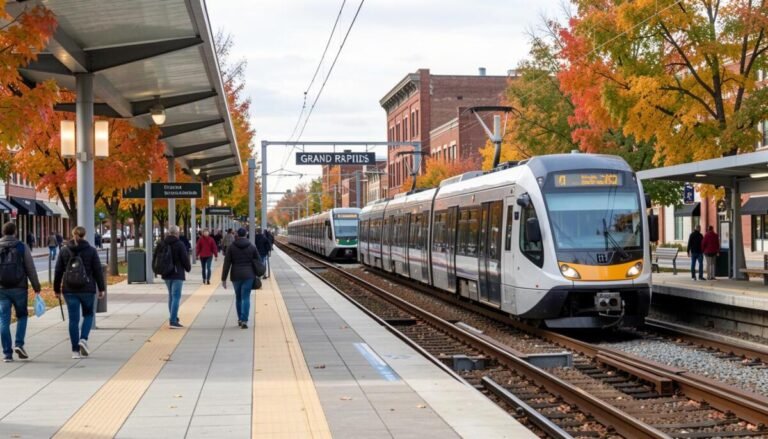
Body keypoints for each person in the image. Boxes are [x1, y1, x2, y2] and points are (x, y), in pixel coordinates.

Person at [53, 226, 105, 359]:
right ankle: (83, 339)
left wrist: (56, 289)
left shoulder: (64, 251)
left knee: (73, 320)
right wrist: (101, 288)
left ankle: (75, 351)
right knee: (88, 315)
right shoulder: (91, 251)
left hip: (69, 289)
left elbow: (58, 271)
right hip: (87, 289)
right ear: (85, 235)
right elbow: (98, 271)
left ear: (73, 235)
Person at [0, 222, 41, 362]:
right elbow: (30, 268)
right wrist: (36, 287)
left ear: (3, 232)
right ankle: (19, 344)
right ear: (15, 232)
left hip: (2, 289)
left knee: (3, 319)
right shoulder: (22, 246)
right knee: (22, 316)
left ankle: (7, 353)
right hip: (19, 288)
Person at [221, 228, 264, 329]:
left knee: (238, 297)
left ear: (237, 235)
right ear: (246, 234)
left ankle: (240, 319)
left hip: (236, 275)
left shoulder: (231, 247)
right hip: (249, 275)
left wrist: (224, 279)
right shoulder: (252, 247)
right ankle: (244, 320)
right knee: (246, 297)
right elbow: (259, 261)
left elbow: (226, 264)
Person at [153, 225, 191, 329]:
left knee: (171, 296)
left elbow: (156, 257)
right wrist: (188, 268)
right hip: (177, 273)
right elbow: (184, 258)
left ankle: (173, 317)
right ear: (176, 233)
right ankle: (173, 321)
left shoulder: (162, 243)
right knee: (176, 297)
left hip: (166, 273)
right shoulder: (179, 244)